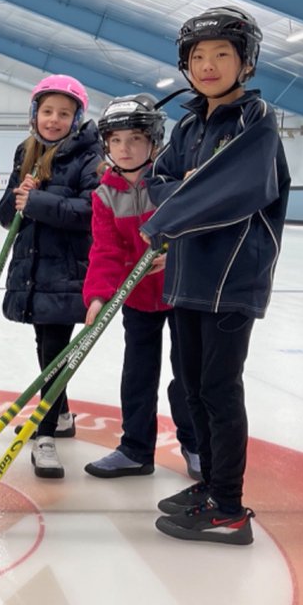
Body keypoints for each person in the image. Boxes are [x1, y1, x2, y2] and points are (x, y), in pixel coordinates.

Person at [139, 5, 290, 546]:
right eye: (198, 56)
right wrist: (180, 196)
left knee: (221, 391)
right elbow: (159, 181)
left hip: (230, 282)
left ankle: (228, 505)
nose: (208, 65)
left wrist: (172, 209)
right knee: (193, 387)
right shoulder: (187, 124)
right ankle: (209, 486)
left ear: (245, 63)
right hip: (186, 279)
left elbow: (235, 187)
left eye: (221, 54)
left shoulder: (257, 121)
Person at [81, 94, 200, 481]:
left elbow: (196, 228)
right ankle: (135, 448)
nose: (125, 148)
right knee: (137, 374)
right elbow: (105, 249)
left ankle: (196, 445)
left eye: (134, 138)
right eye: (116, 140)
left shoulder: (169, 181)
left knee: (188, 375)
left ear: (153, 140)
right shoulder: (105, 194)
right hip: (137, 299)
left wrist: (180, 255)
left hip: (181, 292)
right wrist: (98, 296)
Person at [0, 75, 101, 479]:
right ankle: (63, 415)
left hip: (66, 268)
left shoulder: (90, 156)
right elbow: (8, 217)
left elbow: (92, 210)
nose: (53, 120)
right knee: (46, 345)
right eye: (47, 111)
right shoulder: (27, 150)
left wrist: (38, 200)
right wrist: (20, 195)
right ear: (35, 113)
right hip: (33, 267)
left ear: (76, 118)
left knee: (54, 350)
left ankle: (46, 433)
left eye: (64, 113)